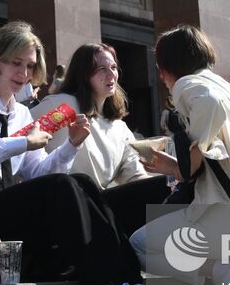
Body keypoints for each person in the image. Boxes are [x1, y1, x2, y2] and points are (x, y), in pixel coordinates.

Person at [0, 21, 168, 285]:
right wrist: (19, 143)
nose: (23, 74)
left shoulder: (20, 114)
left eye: (29, 66)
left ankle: (128, 284)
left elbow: (39, 172)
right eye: (16, 63)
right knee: (61, 186)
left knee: (77, 181)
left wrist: (71, 146)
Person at [134, 25, 230, 285]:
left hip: (227, 214)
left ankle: (227, 271)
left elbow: (207, 108)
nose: (160, 76)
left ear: (167, 66)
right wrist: (178, 165)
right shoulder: (228, 88)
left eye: (160, 67)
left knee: (139, 244)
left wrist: (193, 151)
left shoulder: (188, 85)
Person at [31, 42, 170, 236]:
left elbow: (135, 176)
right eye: (101, 69)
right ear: (83, 74)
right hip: (65, 204)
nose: (111, 74)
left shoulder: (119, 127)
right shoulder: (63, 106)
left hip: (102, 207)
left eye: (113, 68)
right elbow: (22, 140)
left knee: (168, 187)